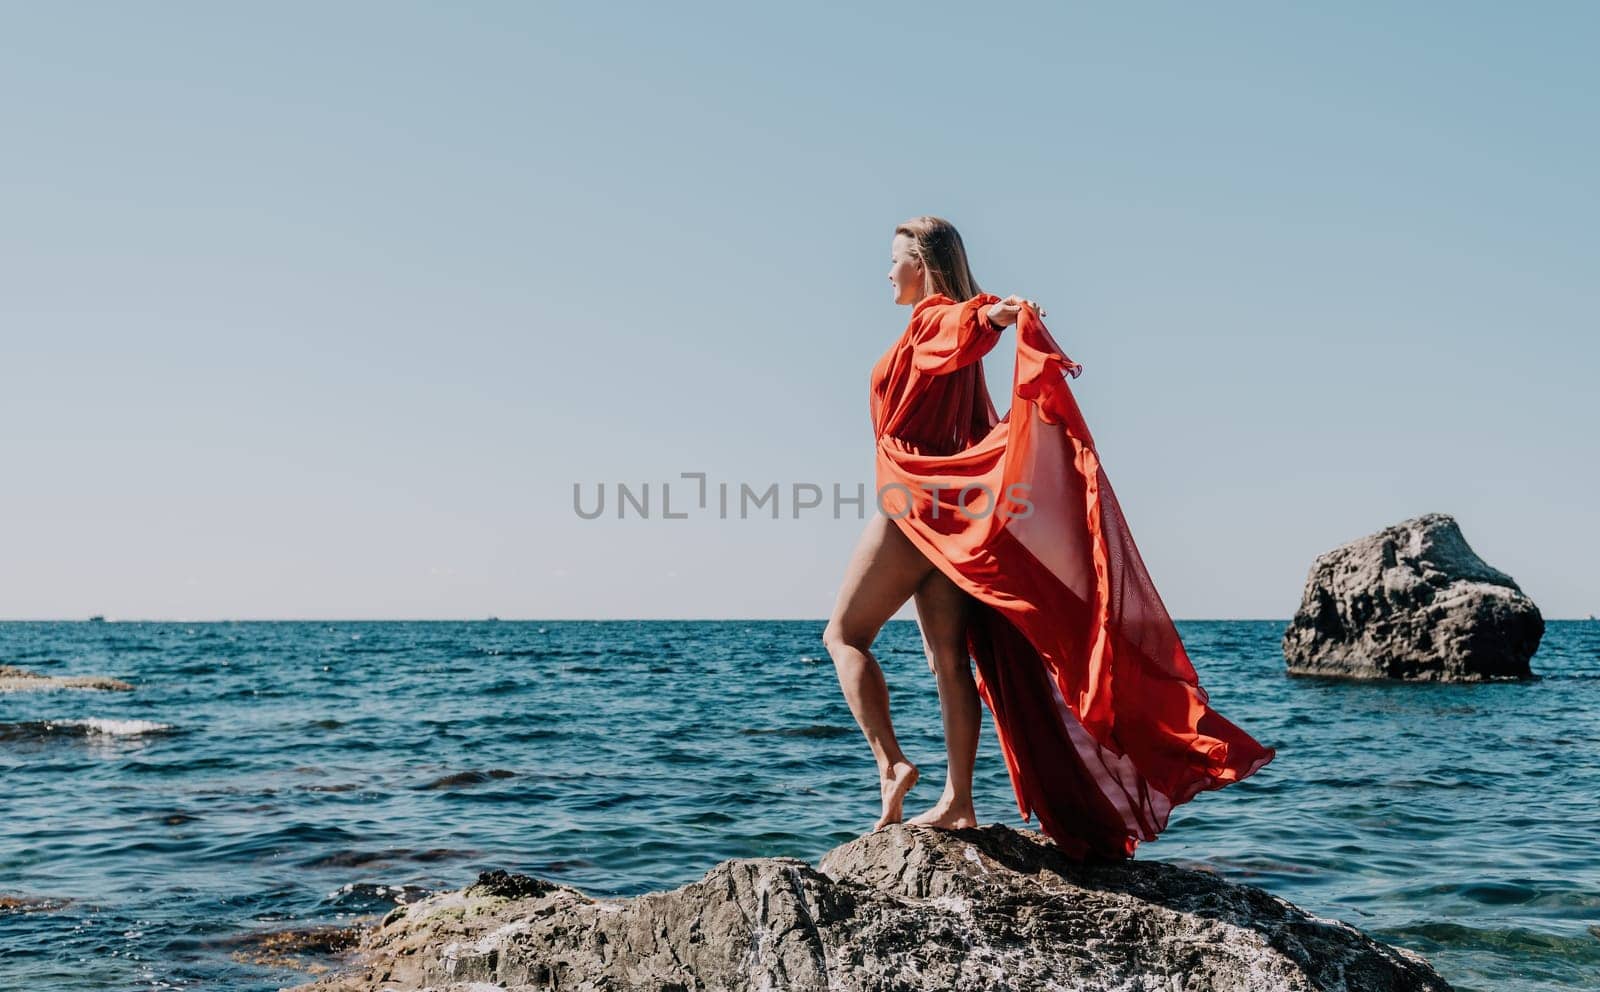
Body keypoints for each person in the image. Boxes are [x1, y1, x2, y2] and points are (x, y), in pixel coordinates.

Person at [822, 215, 1275, 861]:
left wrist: (1000, 314)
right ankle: (959, 802)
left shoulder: (930, 317)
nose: (887, 272)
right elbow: (970, 366)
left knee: (843, 636)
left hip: (913, 503)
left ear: (921, 265)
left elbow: (963, 325)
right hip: (952, 508)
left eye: (894, 260)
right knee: (949, 660)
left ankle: (892, 765)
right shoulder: (939, 331)